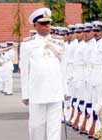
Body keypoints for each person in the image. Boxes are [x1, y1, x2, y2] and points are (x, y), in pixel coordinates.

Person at [19, 8, 65, 140]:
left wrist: (64, 91)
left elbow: (63, 68)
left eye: (49, 23)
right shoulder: (27, 44)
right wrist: (25, 93)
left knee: (54, 130)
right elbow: (24, 70)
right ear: (35, 25)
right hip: (37, 92)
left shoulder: (58, 42)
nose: (47, 26)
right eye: (43, 23)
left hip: (55, 92)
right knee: (36, 128)